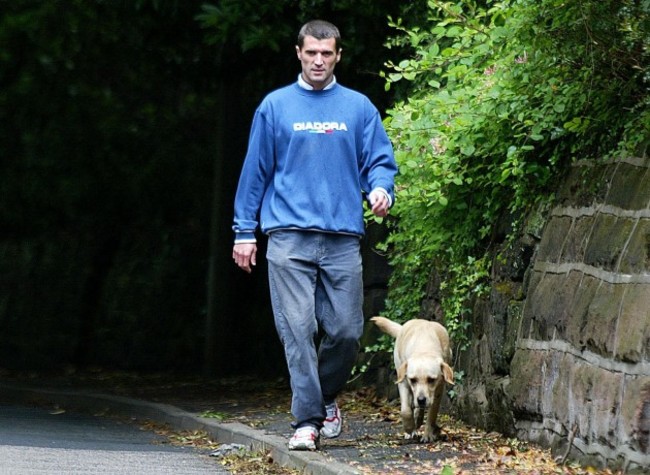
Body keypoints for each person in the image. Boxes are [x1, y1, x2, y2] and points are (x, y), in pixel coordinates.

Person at [232, 19, 398, 451]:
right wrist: (243, 232)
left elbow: (380, 162)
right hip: (287, 237)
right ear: (299, 53)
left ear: (338, 55)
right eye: (311, 53)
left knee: (346, 331)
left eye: (327, 53)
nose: (319, 60)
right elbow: (255, 174)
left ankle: (323, 400)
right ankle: (307, 421)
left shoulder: (359, 108)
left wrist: (381, 189)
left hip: (343, 236)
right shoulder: (275, 107)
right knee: (298, 329)